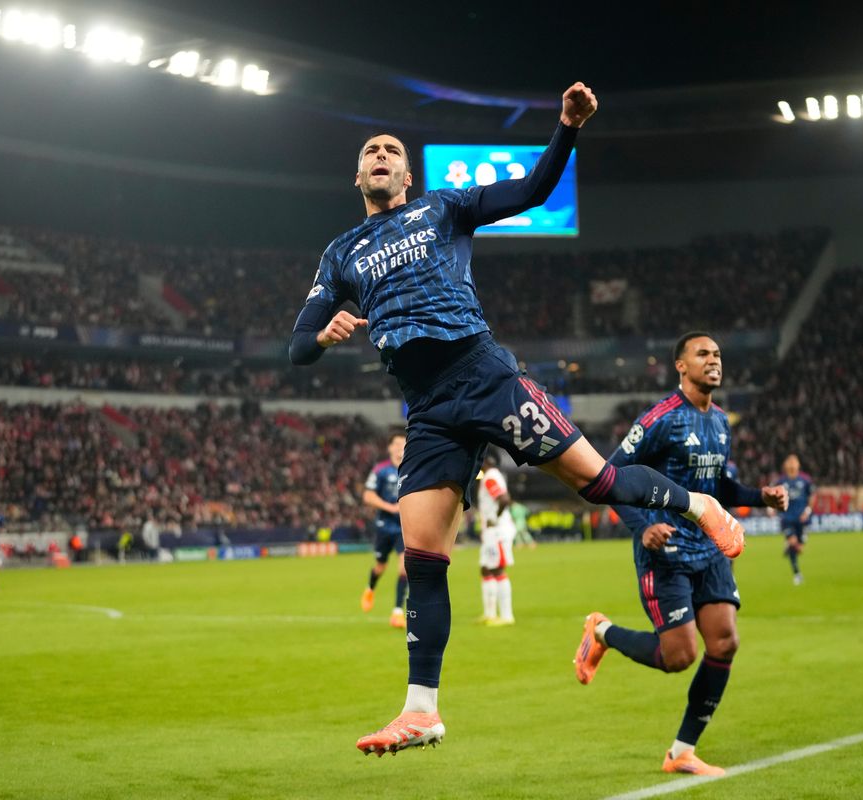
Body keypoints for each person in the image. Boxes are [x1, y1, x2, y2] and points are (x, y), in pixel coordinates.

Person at [289, 83, 745, 757]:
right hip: (427, 409)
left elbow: (533, 190)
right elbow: (297, 345)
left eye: (392, 149)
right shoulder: (341, 253)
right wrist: (325, 335)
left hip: (483, 374)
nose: (380, 154)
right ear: (358, 175)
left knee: (597, 482)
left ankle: (698, 503)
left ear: (407, 175)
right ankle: (421, 710)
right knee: (423, 560)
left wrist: (567, 127)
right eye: (370, 151)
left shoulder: (444, 207)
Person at [573, 332, 788, 776]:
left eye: (718, 354)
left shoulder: (722, 421)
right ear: (680, 366)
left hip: (709, 548)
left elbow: (719, 486)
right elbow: (608, 478)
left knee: (725, 642)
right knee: (679, 657)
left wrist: (759, 497)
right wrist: (644, 526)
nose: (714, 360)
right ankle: (602, 632)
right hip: (666, 550)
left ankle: (681, 752)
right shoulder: (661, 419)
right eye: (702, 354)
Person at [361, 433, 409, 628]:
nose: (400, 447)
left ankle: (397, 612)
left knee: (404, 565)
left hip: (404, 527)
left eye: (403, 444)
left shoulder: (412, 469)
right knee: (380, 566)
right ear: (389, 448)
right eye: (396, 444)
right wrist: (390, 508)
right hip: (384, 525)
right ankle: (370, 587)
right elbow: (368, 496)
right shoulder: (380, 470)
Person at [475, 452, 516, 625]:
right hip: (491, 532)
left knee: (497, 569)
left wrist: (495, 518)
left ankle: (506, 616)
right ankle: (490, 614)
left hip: (498, 531)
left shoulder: (490, 477)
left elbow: (504, 499)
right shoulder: (491, 476)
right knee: (486, 569)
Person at [776, 454, 815, 584]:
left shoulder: (805, 480)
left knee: (799, 548)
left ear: (798, 464)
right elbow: (774, 496)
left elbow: (812, 496)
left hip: (802, 519)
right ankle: (797, 574)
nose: (792, 464)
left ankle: (789, 547)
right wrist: (772, 508)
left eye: (794, 461)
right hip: (787, 518)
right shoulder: (781, 481)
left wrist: (807, 511)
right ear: (785, 465)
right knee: (793, 543)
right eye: (789, 462)